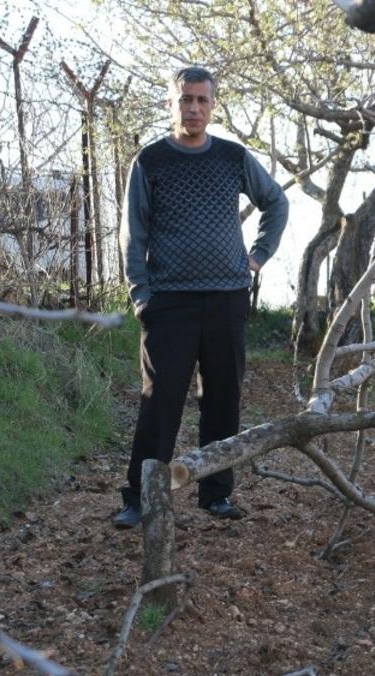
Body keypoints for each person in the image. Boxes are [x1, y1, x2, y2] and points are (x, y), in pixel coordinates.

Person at [113, 66, 289, 529]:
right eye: (185, 100)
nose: (193, 108)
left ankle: (216, 494)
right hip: (168, 302)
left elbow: (276, 202)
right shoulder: (150, 162)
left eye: (201, 101)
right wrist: (141, 295)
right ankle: (140, 497)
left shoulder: (233, 156)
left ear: (213, 105)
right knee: (160, 404)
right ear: (172, 103)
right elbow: (133, 233)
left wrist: (258, 256)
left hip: (228, 297)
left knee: (223, 400)